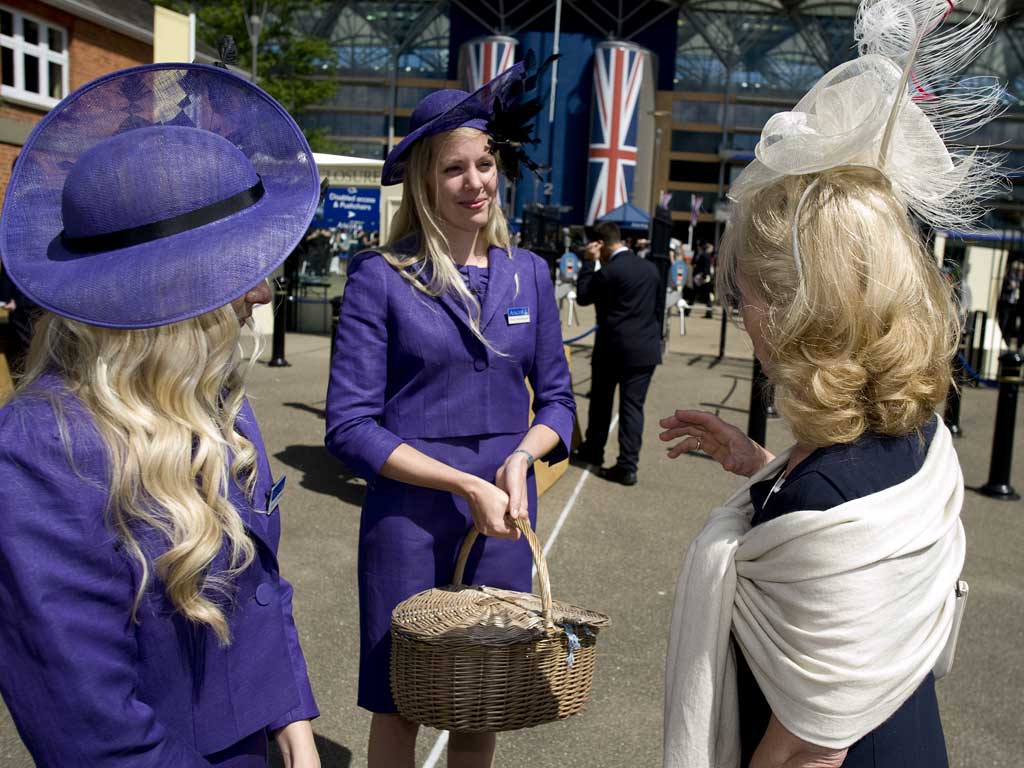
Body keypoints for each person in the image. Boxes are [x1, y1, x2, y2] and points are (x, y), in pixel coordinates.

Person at [659, 0, 997, 764]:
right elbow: (838, 515)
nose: (739, 314)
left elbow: (806, 751)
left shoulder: (831, 494)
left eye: (742, 291)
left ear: (797, 310)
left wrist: (789, 492)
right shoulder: (912, 430)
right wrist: (758, 467)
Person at [0, 62, 322, 767]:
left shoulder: (213, 398)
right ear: (171, 293)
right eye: (241, 268)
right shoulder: (39, 453)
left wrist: (291, 716)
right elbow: (93, 731)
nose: (263, 294)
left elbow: (259, 588)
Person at [324, 62, 575, 768]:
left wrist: (523, 457)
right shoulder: (383, 276)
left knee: (484, 697)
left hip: (505, 512)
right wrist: (463, 484)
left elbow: (559, 400)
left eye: (485, 164)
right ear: (425, 181)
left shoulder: (531, 274)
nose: (476, 183)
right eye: (455, 169)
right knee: (400, 700)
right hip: (409, 514)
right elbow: (348, 424)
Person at [573, 220, 663, 485]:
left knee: (601, 403)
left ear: (600, 244)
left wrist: (589, 263)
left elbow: (583, 295)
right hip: (645, 349)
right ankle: (627, 465)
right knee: (632, 408)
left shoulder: (610, 271)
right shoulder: (650, 269)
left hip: (612, 349)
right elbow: (658, 309)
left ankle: (594, 450)